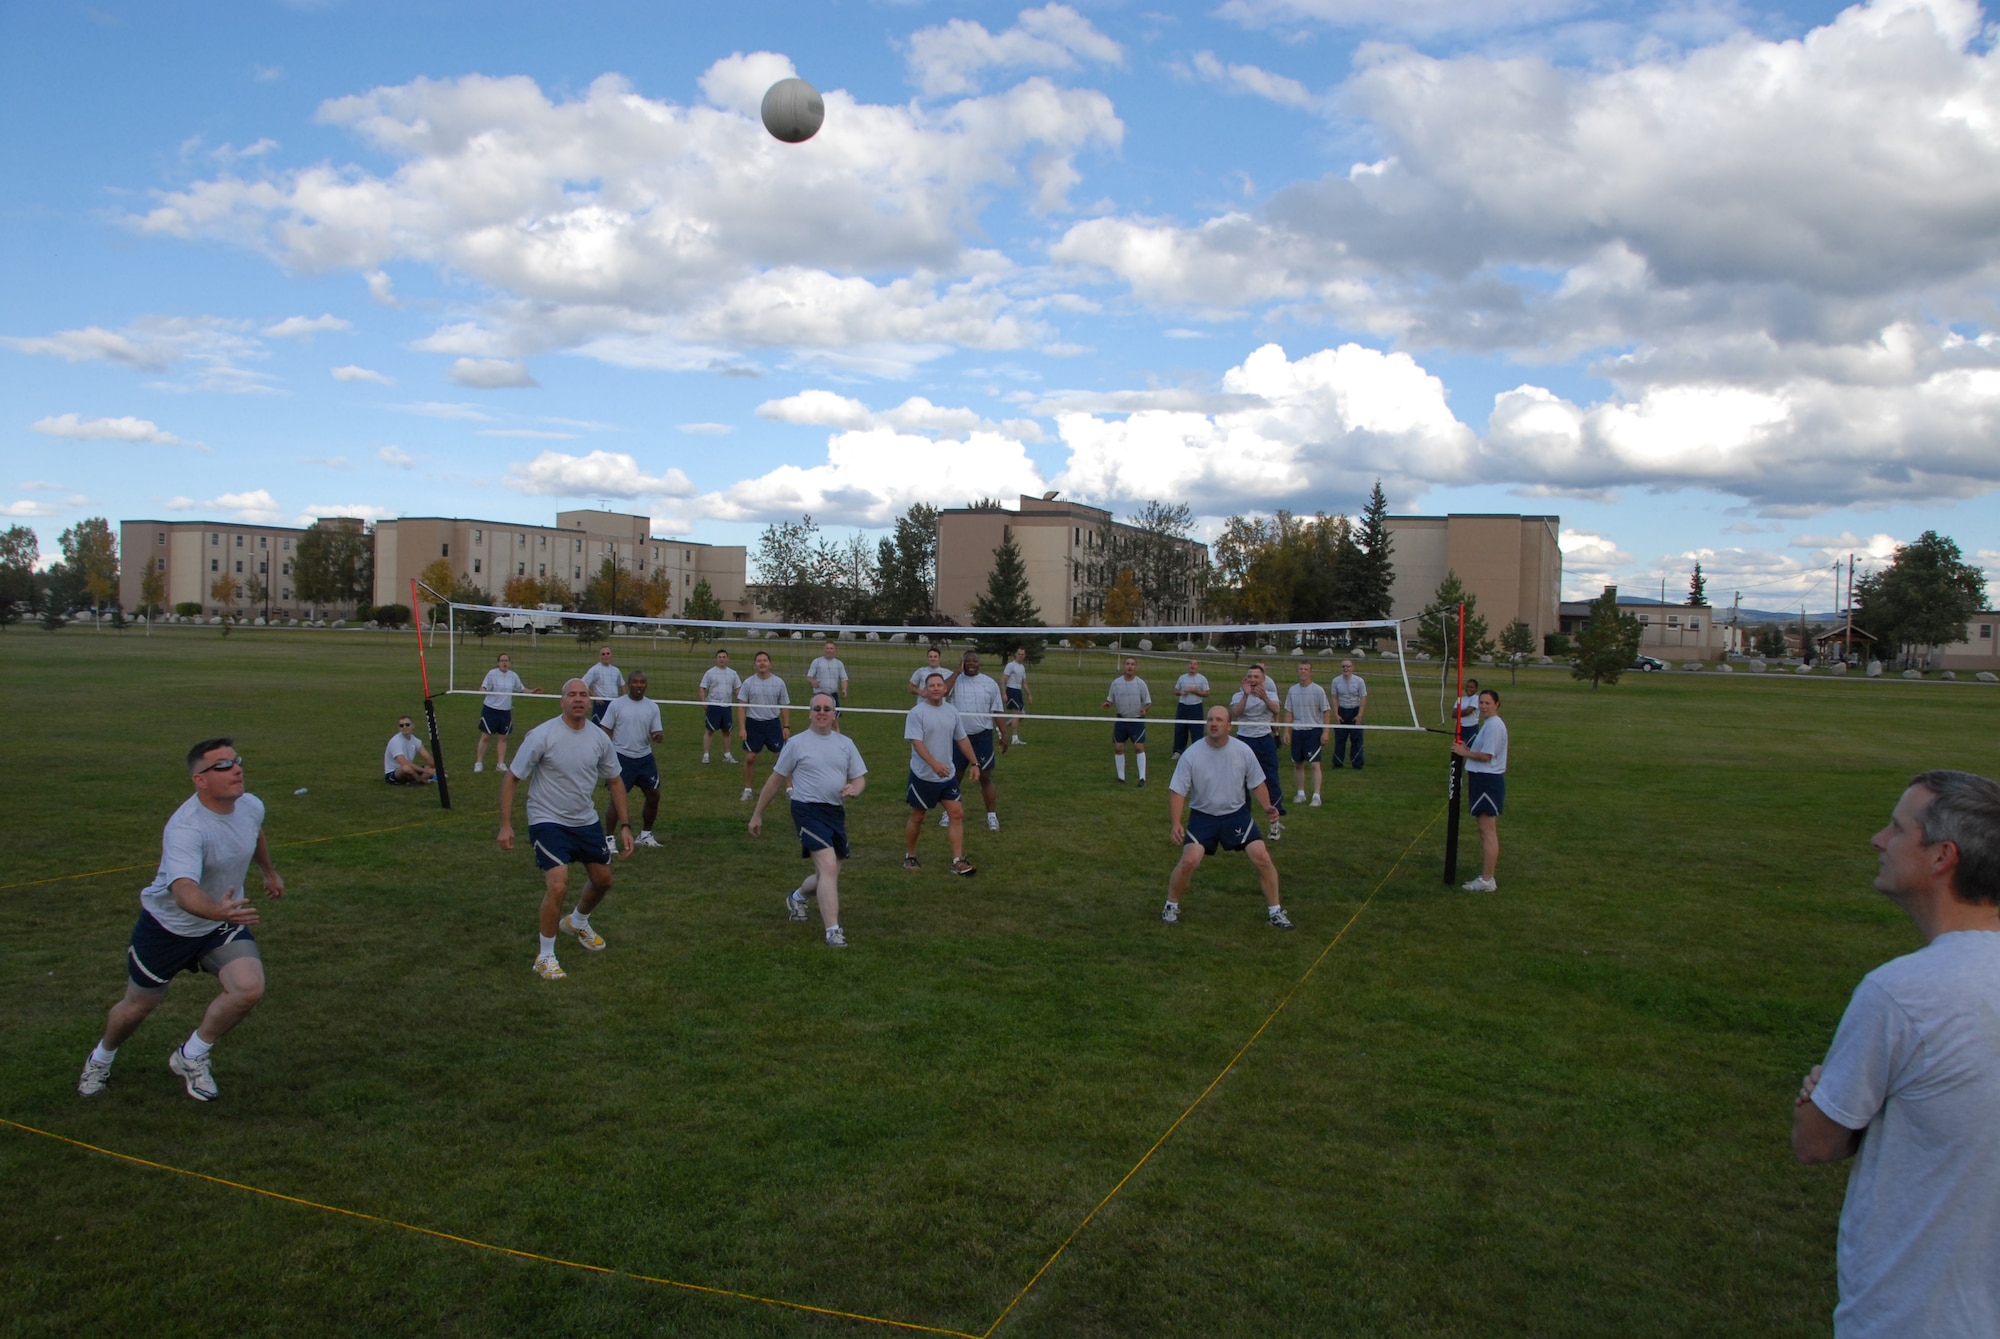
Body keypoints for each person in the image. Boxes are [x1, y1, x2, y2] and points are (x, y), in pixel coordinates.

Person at [1793, 770, 2000, 1337]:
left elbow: (1815, 1142)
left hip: (1915, 1314)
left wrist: (1826, 1090)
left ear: (1941, 858)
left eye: (1897, 828)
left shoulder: (1903, 994)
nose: (1878, 840)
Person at [78, 738, 286, 1101]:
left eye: (236, 760)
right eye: (222, 765)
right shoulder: (186, 829)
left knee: (248, 988)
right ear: (200, 780)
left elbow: (255, 834)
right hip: (168, 929)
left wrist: (268, 872)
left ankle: (191, 1055)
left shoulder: (250, 805)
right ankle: (101, 1058)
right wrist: (217, 910)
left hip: (219, 923)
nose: (236, 768)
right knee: (137, 1007)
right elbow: (184, 891)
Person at [498, 679, 632, 981]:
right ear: (562, 701)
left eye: (583, 694)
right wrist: (505, 825)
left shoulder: (599, 738)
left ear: (591, 701)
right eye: (571, 694)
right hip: (547, 819)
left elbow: (615, 780)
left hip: (585, 820)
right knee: (558, 885)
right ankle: (545, 956)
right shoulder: (542, 735)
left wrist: (625, 825)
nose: (578, 699)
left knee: (603, 880)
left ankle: (577, 921)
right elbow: (512, 779)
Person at [749, 692, 867, 948]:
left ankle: (798, 896)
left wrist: (855, 788)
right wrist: (757, 813)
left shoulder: (845, 743)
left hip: (834, 813)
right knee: (827, 865)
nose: (822, 712)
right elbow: (775, 780)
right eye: (817, 708)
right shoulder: (796, 743)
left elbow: (859, 777)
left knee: (832, 871)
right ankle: (833, 931)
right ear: (810, 712)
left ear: (835, 714)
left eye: (827, 708)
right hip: (805, 810)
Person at [1162, 706, 1293, 930]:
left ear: (1229, 726)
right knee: (1190, 860)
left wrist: (1267, 807)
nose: (1214, 723)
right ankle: (1170, 906)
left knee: (1261, 856)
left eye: (1219, 720)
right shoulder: (1192, 754)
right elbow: (1177, 791)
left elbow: (1257, 782)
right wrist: (1176, 823)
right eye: (1211, 719)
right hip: (1203, 817)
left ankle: (1275, 912)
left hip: (1236, 816)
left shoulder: (1242, 750)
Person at [903, 671, 980, 876]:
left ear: (945, 689)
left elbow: (962, 739)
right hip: (923, 776)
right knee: (918, 816)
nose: (936, 688)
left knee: (957, 813)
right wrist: (933, 764)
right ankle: (910, 856)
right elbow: (916, 743)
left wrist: (975, 763)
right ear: (925, 690)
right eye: (932, 685)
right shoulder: (916, 713)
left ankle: (957, 861)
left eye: (939, 685)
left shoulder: (952, 712)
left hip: (947, 776)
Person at [1451, 688, 1507, 891]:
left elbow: (1487, 756)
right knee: (1484, 830)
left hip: (1488, 781)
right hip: (1481, 779)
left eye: (1487, 703)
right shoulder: (1488, 724)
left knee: (1487, 831)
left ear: (1496, 704)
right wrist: (1468, 749)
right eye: (1481, 703)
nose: (1483, 706)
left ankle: (1487, 880)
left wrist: (1464, 752)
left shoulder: (1494, 726)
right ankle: (1486, 878)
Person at [599, 671, 664, 847]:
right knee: (617, 799)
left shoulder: (652, 706)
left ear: (646, 685)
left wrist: (657, 736)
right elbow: (605, 729)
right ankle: (609, 839)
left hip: (644, 758)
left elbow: (656, 731)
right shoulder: (617, 705)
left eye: (642, 682)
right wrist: (609, 752)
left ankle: (645, 835)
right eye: (635, 682)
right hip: (622, 758)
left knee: (654, 796)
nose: (639, 685)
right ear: (628, 685)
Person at [945, 651, 1006, 830]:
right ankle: (949, 812)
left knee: (985, 776)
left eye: (974, 661)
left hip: (982, 736)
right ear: (962, 663)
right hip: (959, 736)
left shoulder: (989, 683)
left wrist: (1004, 734)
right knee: (955, 775)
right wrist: (956, 672)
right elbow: (943, 692)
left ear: (979, 663)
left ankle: (992, 816)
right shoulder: (955, 680)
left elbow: (997, 711)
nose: (971, 663)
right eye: (967, 661)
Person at [1229, 663, 1286, 838]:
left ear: (1263, 679)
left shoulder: (1270, 694)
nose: (1252, 679)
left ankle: (1275, 823)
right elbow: (1236, 712)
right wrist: (1246, 696)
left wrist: (1265, 699)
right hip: (1244, 741)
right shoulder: (1238, 695)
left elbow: (1276, 709)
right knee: (1240, 782)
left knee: (1271, 781)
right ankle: (1243, 822)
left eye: (1256, 677)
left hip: (1264, 741)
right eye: (1250, 676)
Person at [736, 650, 791, 802]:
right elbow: (741, 707)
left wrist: (786, 726)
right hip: (753, 724)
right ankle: (747, 790)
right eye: (759, 661)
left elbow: (785, 705)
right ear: (755, 665)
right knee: (750, 758)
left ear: (770, 664)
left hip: (772, 723)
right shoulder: (748, 683)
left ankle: (790, 789)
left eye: (765, 660)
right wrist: (742, 728)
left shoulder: (779, 682)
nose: (762, 663)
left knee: (782, 757)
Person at [473, 652, 538, 773]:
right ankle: (479, 762)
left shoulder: (513, 676)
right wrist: (482, 689)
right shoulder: (492, 674)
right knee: (486, 736)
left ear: (509, 663)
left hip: (505, 711)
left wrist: (532, 691)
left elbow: (521, 689)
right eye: (502, 660)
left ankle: (500, 763)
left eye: (507, 660)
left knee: (503, 738)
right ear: (498, 663)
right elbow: (484, 687)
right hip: (490, 709)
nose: (504, 663)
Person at [1284, 660, 1330, 807]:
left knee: (1315, 764)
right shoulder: (1292, 690)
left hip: (1313, 731)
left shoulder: (1318, 690)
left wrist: (1326, 732)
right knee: (1298, 764)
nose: (1303, 671)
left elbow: (1326, 711)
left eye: (1306, 669)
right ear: (1297, 671)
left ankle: (1316, 796)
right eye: (1300, 669)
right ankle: (1300, 793)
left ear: (1311, 672)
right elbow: (1289, 711)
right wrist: (1286, 731)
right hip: (1298, 731)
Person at [1105, 656, 1153, 786]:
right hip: (1121, 719)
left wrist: (1144, 710)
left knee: (1138, 747)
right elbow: (1110, 699)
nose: (1130, 666)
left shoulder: (1141, 684)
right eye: (1127, 664)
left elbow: (1148, 703)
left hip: (1136, 720)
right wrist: (1108, 704)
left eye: (1132, 664)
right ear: (1124, 666)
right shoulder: (1116, 683)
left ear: (1135, 667)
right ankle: (1121, 778)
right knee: (1118, 747)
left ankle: (1142, 779)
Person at [698, 648, 741, 764]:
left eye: (724, 657)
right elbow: (702, 688)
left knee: (727, 731)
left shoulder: (733, 673)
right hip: (713, 706)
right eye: (719, 657)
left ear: (728, 659)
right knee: (710, 731)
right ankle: (706, 755)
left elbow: (737, 689)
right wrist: (703, 702)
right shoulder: (710, 672)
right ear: (716, 659)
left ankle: (727, 755)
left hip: (726, 706)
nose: (722, 659)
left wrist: (741, 700)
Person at [1330, 658, 1368, 770]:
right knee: (1340, 738)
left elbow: (1363, 698)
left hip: (1355, 710)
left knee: (1357, 739)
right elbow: (1334, 698)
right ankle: (1337, 763)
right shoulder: (1336, 681)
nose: (1346, 668)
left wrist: (1359, 715)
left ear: (1352, 668)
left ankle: (1357, 763)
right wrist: (1336, 714)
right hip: (1342, 711)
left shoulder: (1359, 681)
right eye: (1343, 666)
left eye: (1348, 666)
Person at [805, 639, 850, 729]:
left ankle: (836, 741)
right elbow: (808, 677)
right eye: (827, 648)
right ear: (824, 649)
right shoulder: (817, 662)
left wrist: (844, 690)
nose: (829, 650)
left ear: (835, 650)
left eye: (831, 648)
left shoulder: (838, 664)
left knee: (834, 721)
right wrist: (813, 682)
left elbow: (844, 679)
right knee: (816, 720)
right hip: (819, 695)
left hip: (833, 695)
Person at [1172, 657, 1210, 757]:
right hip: (1183, 707)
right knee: (1180, 729)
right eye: (1190, 663)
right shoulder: (1182, 678)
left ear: (1197, 666)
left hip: (1196, 707)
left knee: (1196, 729)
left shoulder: (1202, 679)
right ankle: (1178, 751)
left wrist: (1195, 691)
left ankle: (1197, 751)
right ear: (1188, 665)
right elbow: (1176, 691)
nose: (1192, 666)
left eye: (1195, 664)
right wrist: (1180, 692)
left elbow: (1206, 693)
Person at [383, 715, 438, 785]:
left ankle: (417, 780)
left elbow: (428, 758)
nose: (404, 727)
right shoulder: (395, 741)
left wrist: (436, 768)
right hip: (394, 772)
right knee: (406, 768)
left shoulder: (415, 740)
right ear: (399, 728)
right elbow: (404, 763)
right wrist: (426, 771)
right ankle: (421, 780)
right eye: (401, 725)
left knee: (429, 767)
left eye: (407, 724)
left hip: (410, 769)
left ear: (412, 726)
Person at [582, 644, 623, 726]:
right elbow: (583, 683)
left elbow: (622, 685)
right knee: (599, 729)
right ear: (599, 656)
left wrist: (623, 700)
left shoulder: (616, 670)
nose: (606, 656)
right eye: (603, 654)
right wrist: (595, 696)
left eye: (608, 653)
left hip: (614, 703)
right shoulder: (595, 669)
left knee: (613, 728)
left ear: (611, 655)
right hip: (601, 705)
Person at [1002, 647, 1033, 746]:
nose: (1020, 656)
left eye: (1022, 654)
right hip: (1011, 691)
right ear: (1016, 654)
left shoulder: (1022, 667)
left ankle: (1002, 727)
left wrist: (1029, 695)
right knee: (1016, 714)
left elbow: (1024, 682)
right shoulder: (1010, 665)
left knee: (1022, 715)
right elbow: (1003, 679)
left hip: (1018, 692)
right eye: (1019, 654)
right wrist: (1004, 693)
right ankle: (1014, 739)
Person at [1451, 676, 1481, 744]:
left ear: (1476, 689)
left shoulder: (1476, 698)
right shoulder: (1460, 699)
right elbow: (1453, 714)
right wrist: (1462, 712)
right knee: (1457, 748)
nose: (1468, 689)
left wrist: (1459, 713)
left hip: (1471, 728)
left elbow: (1468, 711)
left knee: (1469, 748)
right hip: (1459, 727)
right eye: (1467, 686)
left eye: (1471, 687)